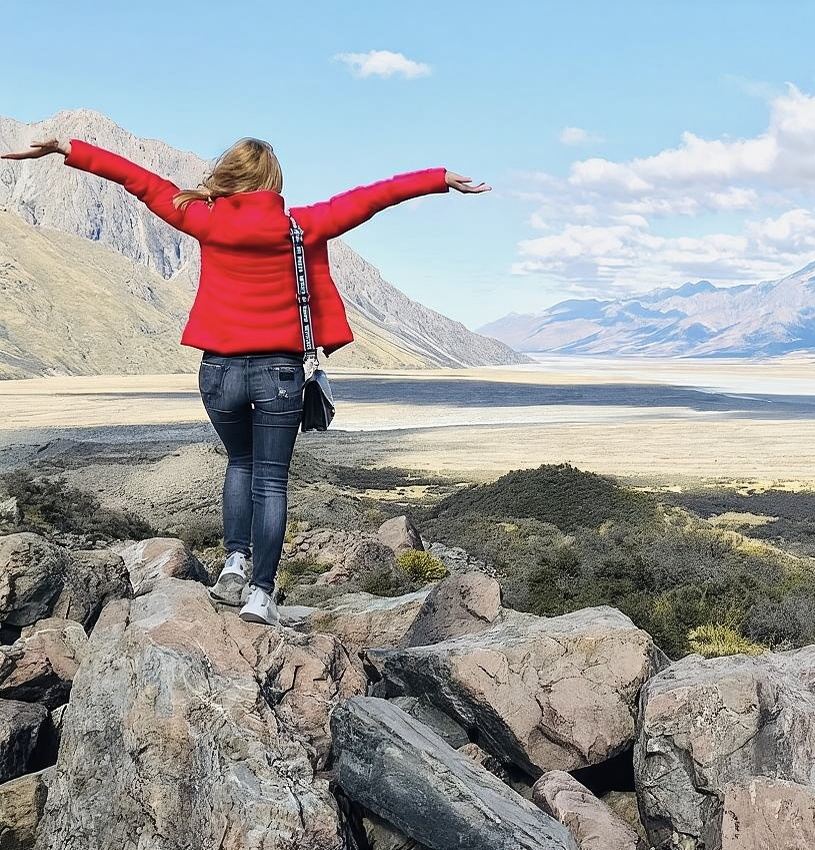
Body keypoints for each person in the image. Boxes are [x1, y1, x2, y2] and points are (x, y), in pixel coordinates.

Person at [3, 136, 489, 626]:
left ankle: (233, 564)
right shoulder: (302, 224)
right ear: (272, 181)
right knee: (271, 480)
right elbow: (371, 198)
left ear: (230, 177)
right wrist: (438, 179)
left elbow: (140, 182)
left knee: (239, 462)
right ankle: (261, 594)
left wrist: (67, 147)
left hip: (217, 371)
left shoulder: (204, 219)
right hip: (279, 373)